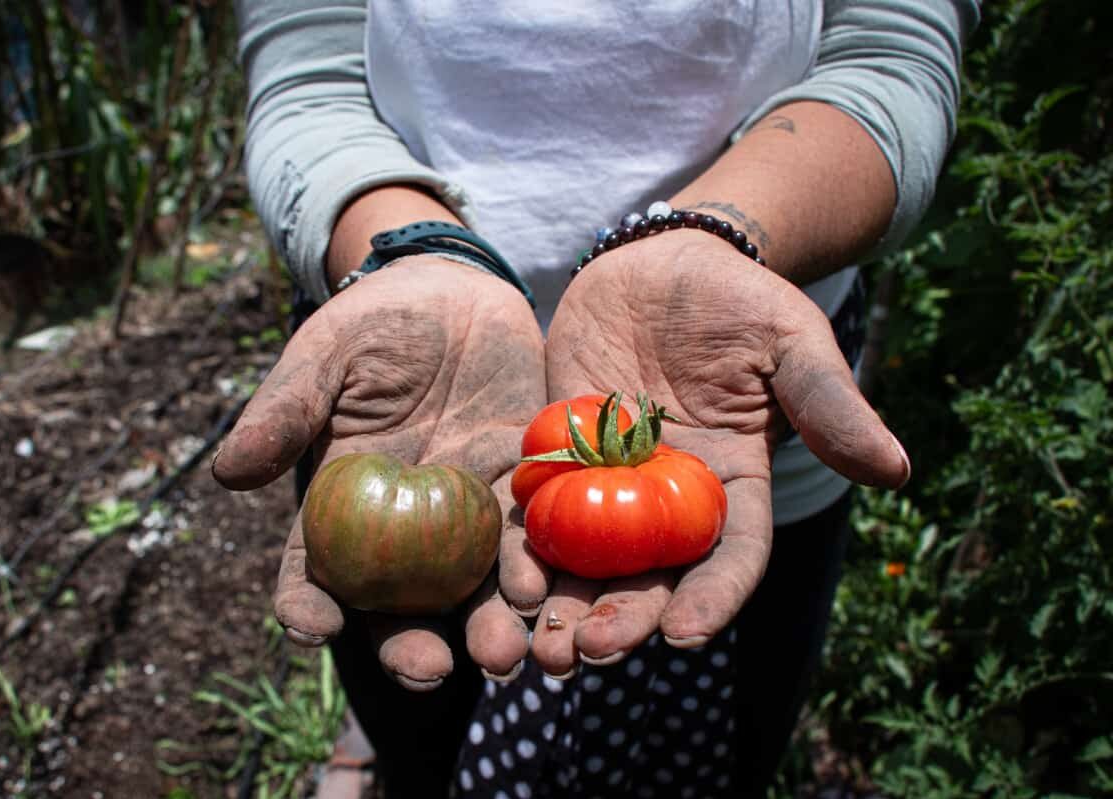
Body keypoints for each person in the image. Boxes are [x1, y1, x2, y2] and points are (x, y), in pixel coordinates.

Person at [214, 1, 979, 796]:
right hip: (399, 402)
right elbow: (308, 85)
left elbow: (895, 58)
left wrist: (707, 240)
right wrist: (418, 250)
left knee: (727, 753)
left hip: (725, 397)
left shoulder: (625, 455)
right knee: (422, 756)